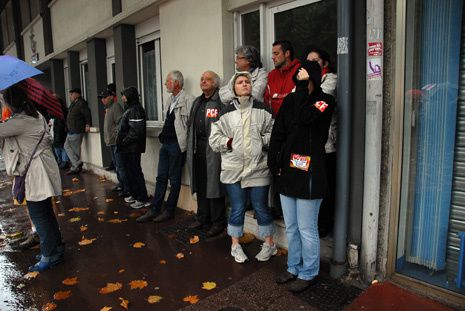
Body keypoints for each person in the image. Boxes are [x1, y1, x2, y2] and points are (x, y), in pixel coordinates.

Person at [268, 60, 335, 292]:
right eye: (298, 77)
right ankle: (293, 267)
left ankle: (309, 273)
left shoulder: (324, 101)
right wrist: (274, 160)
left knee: (307, 228)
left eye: (304, 77)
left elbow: (305, 118)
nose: (299, 81)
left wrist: (304, 88)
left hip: (310, 172)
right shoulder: (291, 99)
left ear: (313, 79)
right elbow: (279, 131)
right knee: (292, 227)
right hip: (288, 171)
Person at [210, 72, 276, 263]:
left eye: (248, 81)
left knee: (261, 207)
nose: (245, 84)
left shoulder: (263, 110)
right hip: (234, 169)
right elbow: (214, 140)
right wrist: (230, 142)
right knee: (237, 208)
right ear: (233, 88)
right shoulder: (225, 112)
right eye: (240, 82)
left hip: (258, 168)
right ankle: (235, 246)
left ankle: (269, 244)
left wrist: (261, 142)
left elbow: (275, 132)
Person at [0, 84, 64, 272]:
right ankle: (55, 248)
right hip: (42, 168)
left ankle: (50, 254)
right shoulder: (35, 116)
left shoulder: (19, 122)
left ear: (10, 103)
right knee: (46, 213)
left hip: (36, 173)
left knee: (39, 215)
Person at [137, 71, 194, 223]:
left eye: (167, 81)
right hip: (166, 143)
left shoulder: (188, 99)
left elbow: (190, 126)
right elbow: (169, 121)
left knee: (174, 179)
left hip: (177, 145)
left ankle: (169, 211)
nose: (165, 84)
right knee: (161, 177)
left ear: (176, 83)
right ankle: (154, 209)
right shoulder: (170, 99)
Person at [185, 71, 226, 237]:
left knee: (214, 185)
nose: (203, 81)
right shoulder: (197, 101)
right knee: (201, 184)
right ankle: (202, 217)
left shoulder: (219, 102)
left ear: (215, 83)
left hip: (214, 149)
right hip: (198, 148)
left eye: (207, 79)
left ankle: (218, 222)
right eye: (202, 78)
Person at [304, 47, 338, 237]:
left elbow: (317, 103)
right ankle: (314, 222)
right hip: (307, 145)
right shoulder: (302, 82)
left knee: (325, 188)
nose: (312, 64)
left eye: (315, 60)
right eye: (308, 60)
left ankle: (325, 225)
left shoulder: (330, 79)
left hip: (326, 145)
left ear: (324, 63)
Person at [116, 86, 149, 209]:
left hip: (132, 148)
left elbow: (136, 131)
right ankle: (135, 195)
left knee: (135, 173)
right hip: (128, 148)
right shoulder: (130, 109)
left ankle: (142, 198)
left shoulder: (135, 109)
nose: (122, 97)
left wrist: (124, 141)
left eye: (124, 95)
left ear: (130, 95)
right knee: (131, 172)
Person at [98, 86, 126, 193]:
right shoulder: (108, 108)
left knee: (120, 166)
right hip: (111, 142)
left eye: (105, 97)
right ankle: (121, 184)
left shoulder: (115, 107)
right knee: (116, 166)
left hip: (116, 142)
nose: (103, 99)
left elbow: (120, 124)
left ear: (111, 97)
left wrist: (115, 136)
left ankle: (125, 187)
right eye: (101, 97)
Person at [264, 40, 301, 117]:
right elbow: (267, 101)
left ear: (287, 53)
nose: (273, 57)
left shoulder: (300, 71)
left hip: (295, 122)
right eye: (272, 54)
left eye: (276, 54)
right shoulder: (271, 75)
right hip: (274, 122)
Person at [64, 88, 91, 174]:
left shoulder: (81, 103)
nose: (70, 97)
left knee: (75, 150)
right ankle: (77, 163)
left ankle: (75, 167)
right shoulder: (73, 104)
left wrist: (88, 124)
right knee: (66, 146)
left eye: (71, 95)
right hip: (71, 130)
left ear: (77, 94)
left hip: (76, 129)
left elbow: (87, 114)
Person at [51, 97, 69, 169]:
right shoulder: (56, 110)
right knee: (58, 146)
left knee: (62, 146)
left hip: (62, 129)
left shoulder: (63, 110)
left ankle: (64, 161)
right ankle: (61, 160)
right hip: (58, 129)